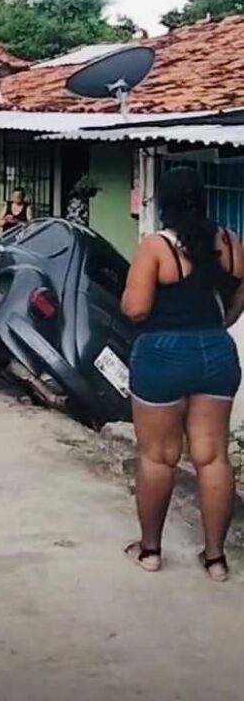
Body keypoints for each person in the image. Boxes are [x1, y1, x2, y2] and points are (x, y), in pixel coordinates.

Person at [121, 166, 244, 582]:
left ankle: (151, 551)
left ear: (165, 204)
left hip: (163, 352)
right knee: (212, 457)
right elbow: (240, 292)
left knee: (159, 456)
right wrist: (219, 323)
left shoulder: (157, 247)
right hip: (216, 350)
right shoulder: (228, 241)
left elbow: (136, 309)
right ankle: (215, 560)